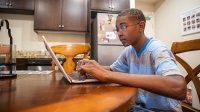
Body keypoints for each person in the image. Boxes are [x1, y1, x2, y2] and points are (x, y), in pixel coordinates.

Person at [76, 8, 186, 111]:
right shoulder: (129, 51)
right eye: (117, 29)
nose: (119, 33)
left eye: (123, 27)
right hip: (139, 107)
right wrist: (92, 68)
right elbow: (113, 70)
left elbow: (178, 88)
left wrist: (106, 75)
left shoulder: (157, 49)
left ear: (141, 26)